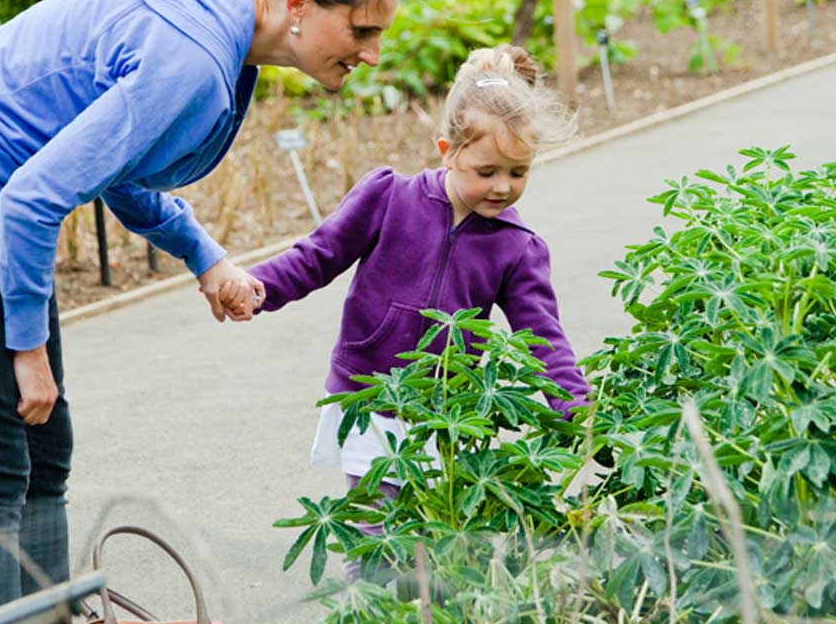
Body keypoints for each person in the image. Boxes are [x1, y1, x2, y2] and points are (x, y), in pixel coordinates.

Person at [0, 0, 404, 622]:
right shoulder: (196, 55)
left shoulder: (221, 30)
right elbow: (34, 195)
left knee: (44, 446)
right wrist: (26, 349)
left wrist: (203, 256)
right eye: (362, 32)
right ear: (299, 5)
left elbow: (110, 161)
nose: (372, 55)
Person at [222, 44, 589, 514]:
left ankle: (421, 591)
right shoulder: (389, 198)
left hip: (447, 412)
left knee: (434, 528)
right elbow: (318, 256)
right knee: (376, 521)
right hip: (368, 393)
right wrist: (259, 288)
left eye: (519, 172)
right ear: (448, 152)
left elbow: (542, 338)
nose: (503, 186)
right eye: (487, 171)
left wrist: (575, 407)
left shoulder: (517, 246)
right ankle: (370, 591)